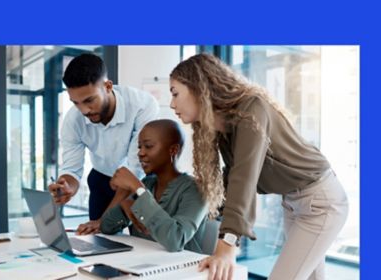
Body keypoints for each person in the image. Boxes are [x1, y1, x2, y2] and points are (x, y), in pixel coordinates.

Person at [168, 53, 348, 280]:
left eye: (175, 93)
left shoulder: (251, 110)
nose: (172, 103)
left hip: (321, 202)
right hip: (294, 203)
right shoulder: (225, 129)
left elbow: (244, 179)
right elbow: (232, 179)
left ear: (199, 87)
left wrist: (227, 247)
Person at [48, 53, 159, 235]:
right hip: (101, 179)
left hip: (138, 182)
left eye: (89, 100)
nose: (84, 110)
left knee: (141, 244)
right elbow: (72, 169)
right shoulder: (73, 120)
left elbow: (135, 169)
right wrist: (67, 187)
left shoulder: (143, 106)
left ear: (108, 86)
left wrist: (104, 220)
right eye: (76, 103)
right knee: (98, 241)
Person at [101, 119, 210, 254]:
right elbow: (106, 226)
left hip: (180, 270)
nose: (140, 153)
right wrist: (124, 204)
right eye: (139, 147)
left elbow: (175, 240)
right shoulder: (148, 183)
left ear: (173, 150)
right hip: (140, 265)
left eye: (148, 146)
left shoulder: (195, 189)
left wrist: (138, 188)